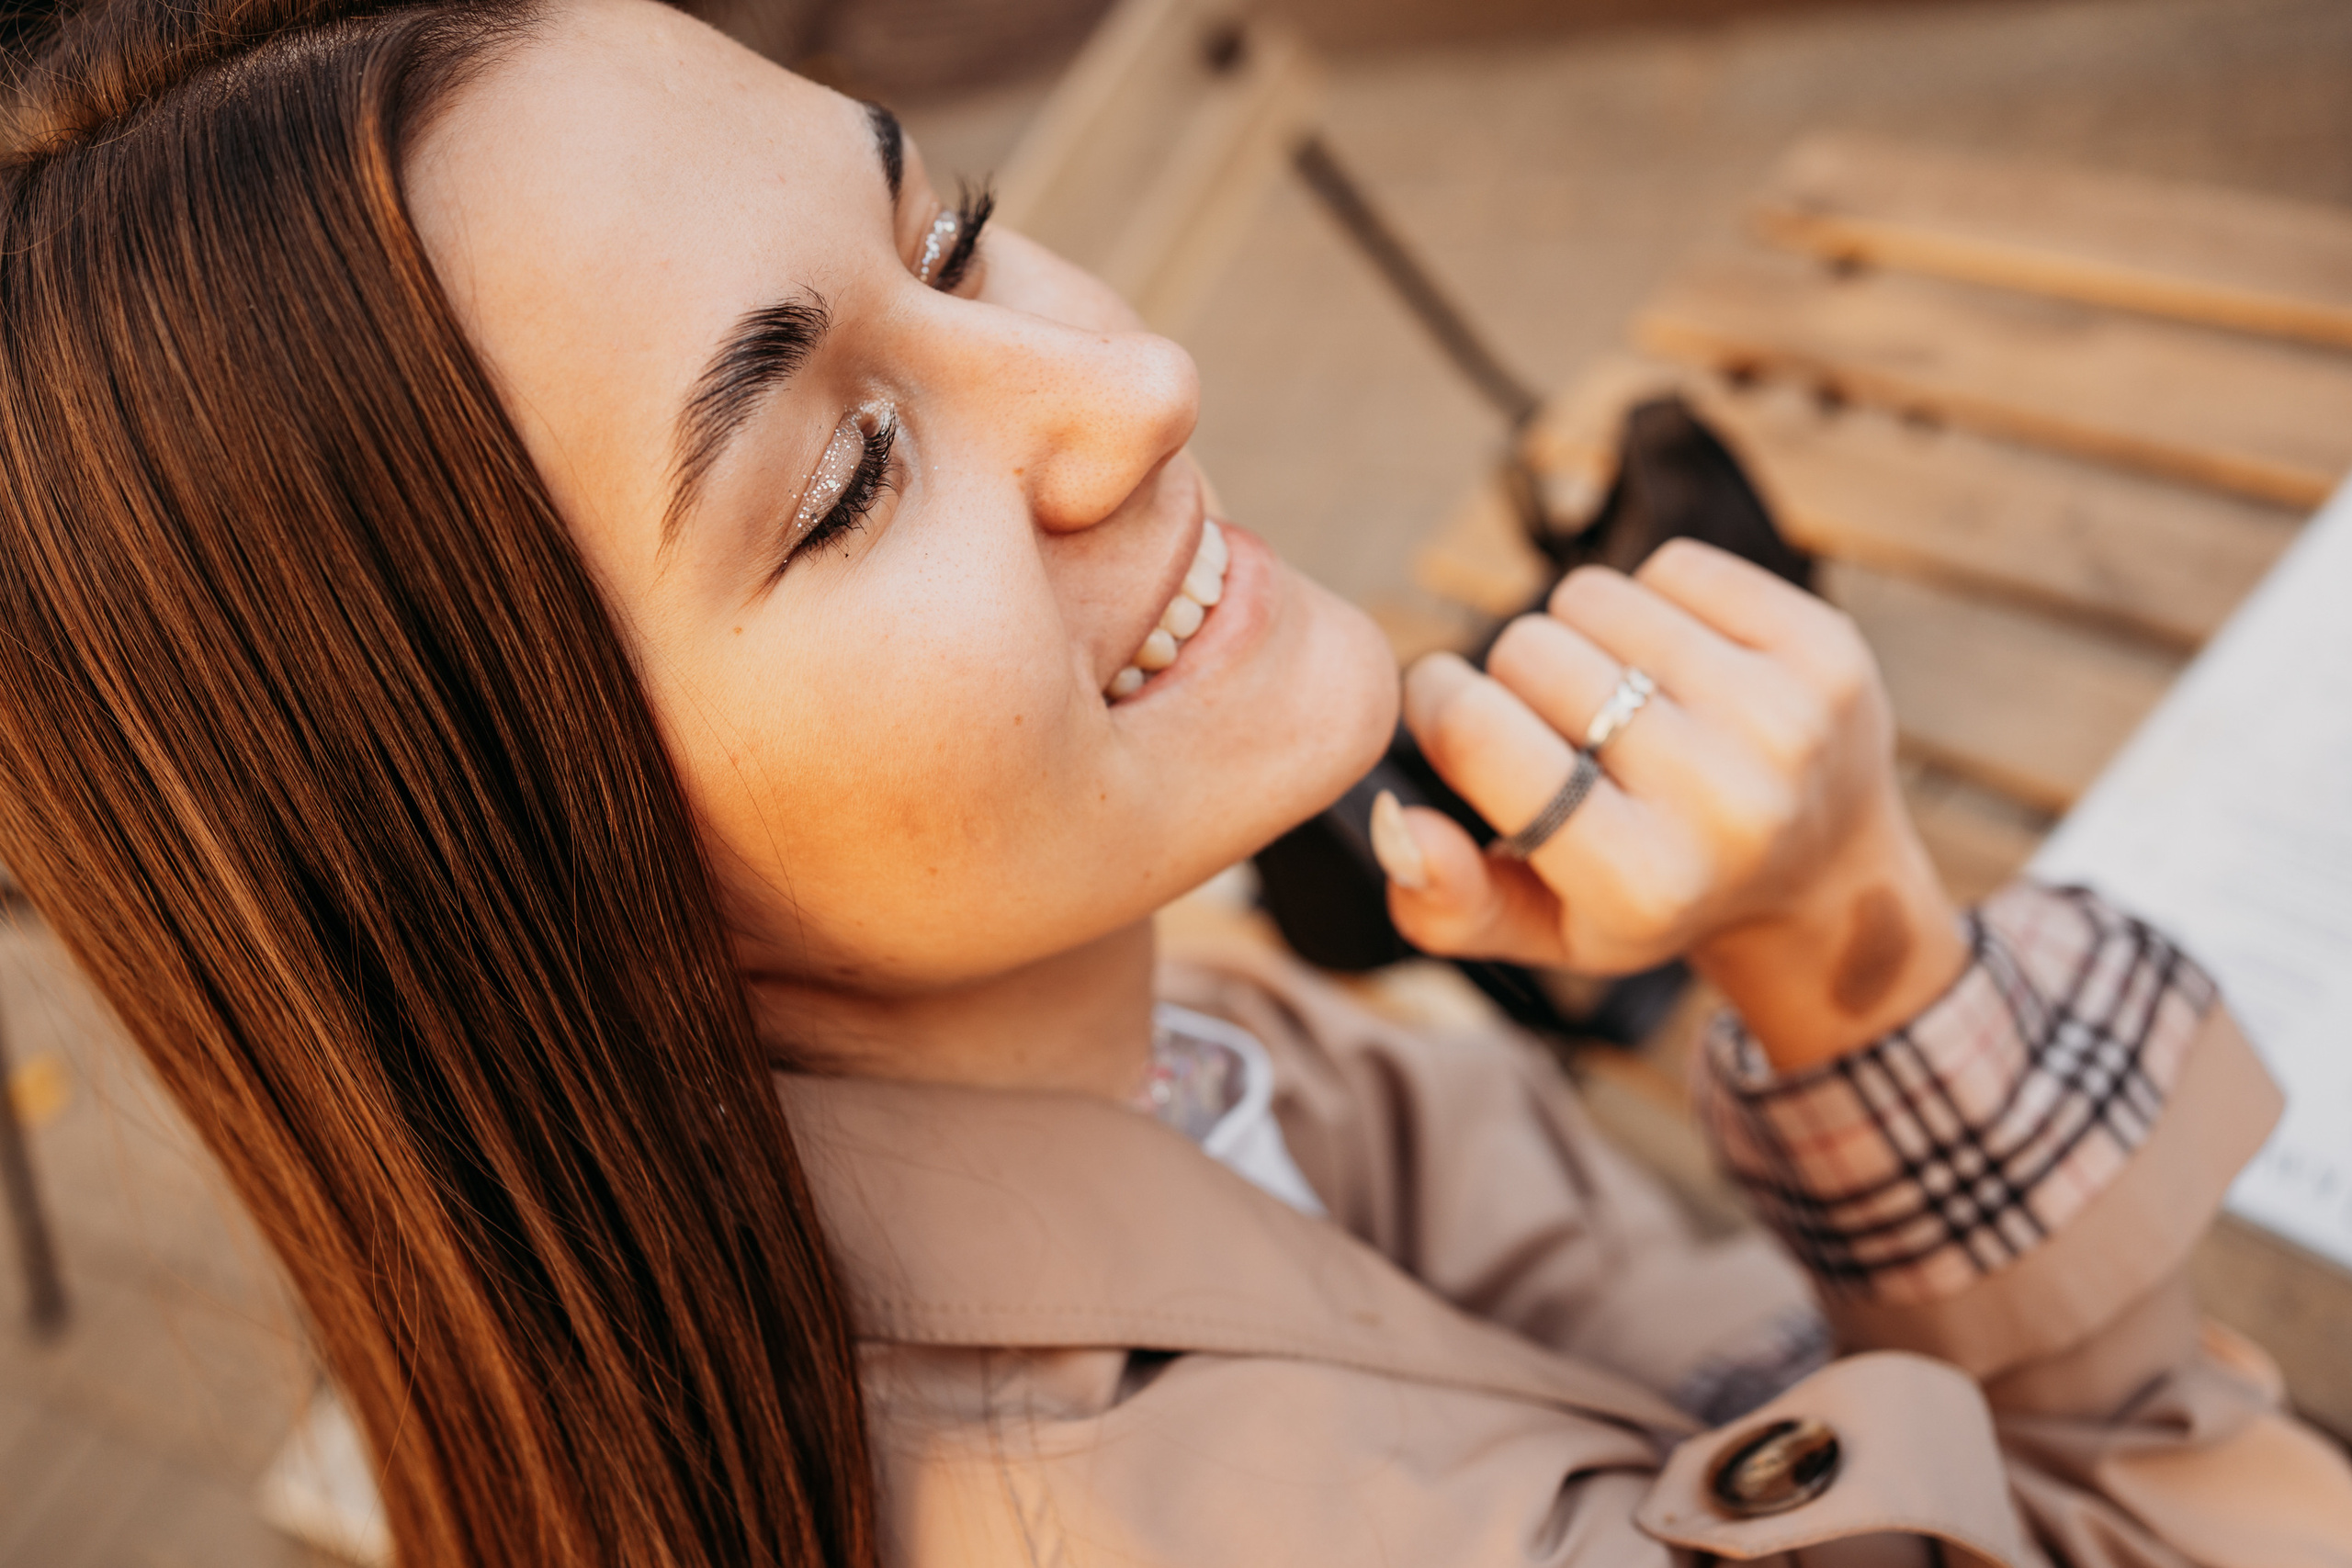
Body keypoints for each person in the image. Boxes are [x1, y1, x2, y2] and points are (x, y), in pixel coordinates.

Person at [0, 0, 2346, 1563]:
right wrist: (1849, 955)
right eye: (840, 479)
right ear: (506, 864)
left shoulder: (1120, 1053)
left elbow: (1660, 1326)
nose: (1122, 385)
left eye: (948, 230)